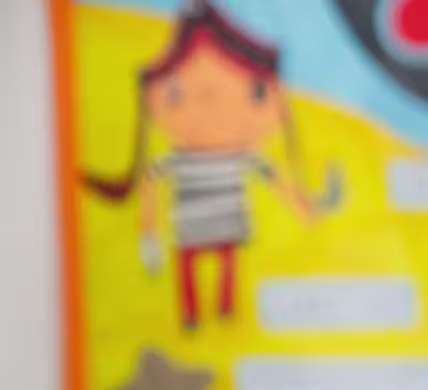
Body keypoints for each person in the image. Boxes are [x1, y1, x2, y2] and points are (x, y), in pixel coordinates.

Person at [83, 0, 332, 329]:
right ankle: (190, 312)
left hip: (226, 219)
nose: (212, 103)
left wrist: (305, 205)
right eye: (176, 93)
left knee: (226, 262)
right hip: (190, 224)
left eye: (256, 93)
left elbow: (274, 178)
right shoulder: (176, 161)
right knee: (190, 264)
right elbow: (149, 182)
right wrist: (148, 236)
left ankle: (224, 307)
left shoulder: (244, 156)